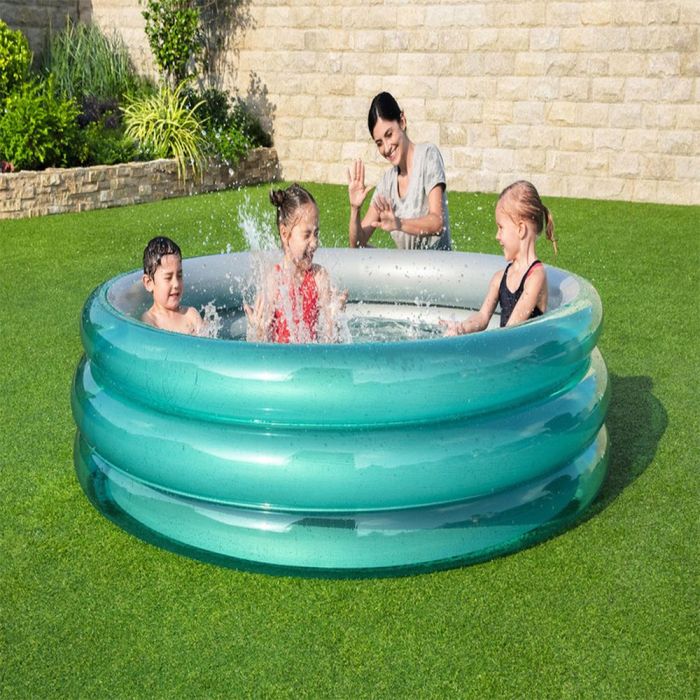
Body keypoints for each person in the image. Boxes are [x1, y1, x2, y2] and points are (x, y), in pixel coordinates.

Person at [443, 181, 558, 335]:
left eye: (501, 227)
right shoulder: (499, 279)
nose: (497, 236)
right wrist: (462, 328)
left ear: (521, 229)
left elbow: (512, 328)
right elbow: (482, 317)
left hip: (525, 350)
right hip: (507, 345)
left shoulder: (536, 277)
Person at [348, 91, 451, 250]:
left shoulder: (428, 155)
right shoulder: (386, 183)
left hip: (437, 265)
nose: (386, 148)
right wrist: (355, 209)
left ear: (402, 122)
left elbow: (437, 223)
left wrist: (399, 223)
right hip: (407, 266)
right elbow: (357, 245)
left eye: (389, 135)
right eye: (379, 143)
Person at [244, 184, 346, 344]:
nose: (314, 243)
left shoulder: (319, 277)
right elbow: (262, 345)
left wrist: (335, 319)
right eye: (307, 235)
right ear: (285, 234)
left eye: (316, 233)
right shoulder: (274, 280)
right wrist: (258, 329)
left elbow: (330, 343)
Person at [141, 236, 204, 335]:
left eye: (179, 276)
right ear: (149, 283)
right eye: (168, 277)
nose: (176, 284)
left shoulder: (191, 315)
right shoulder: (150, 320)